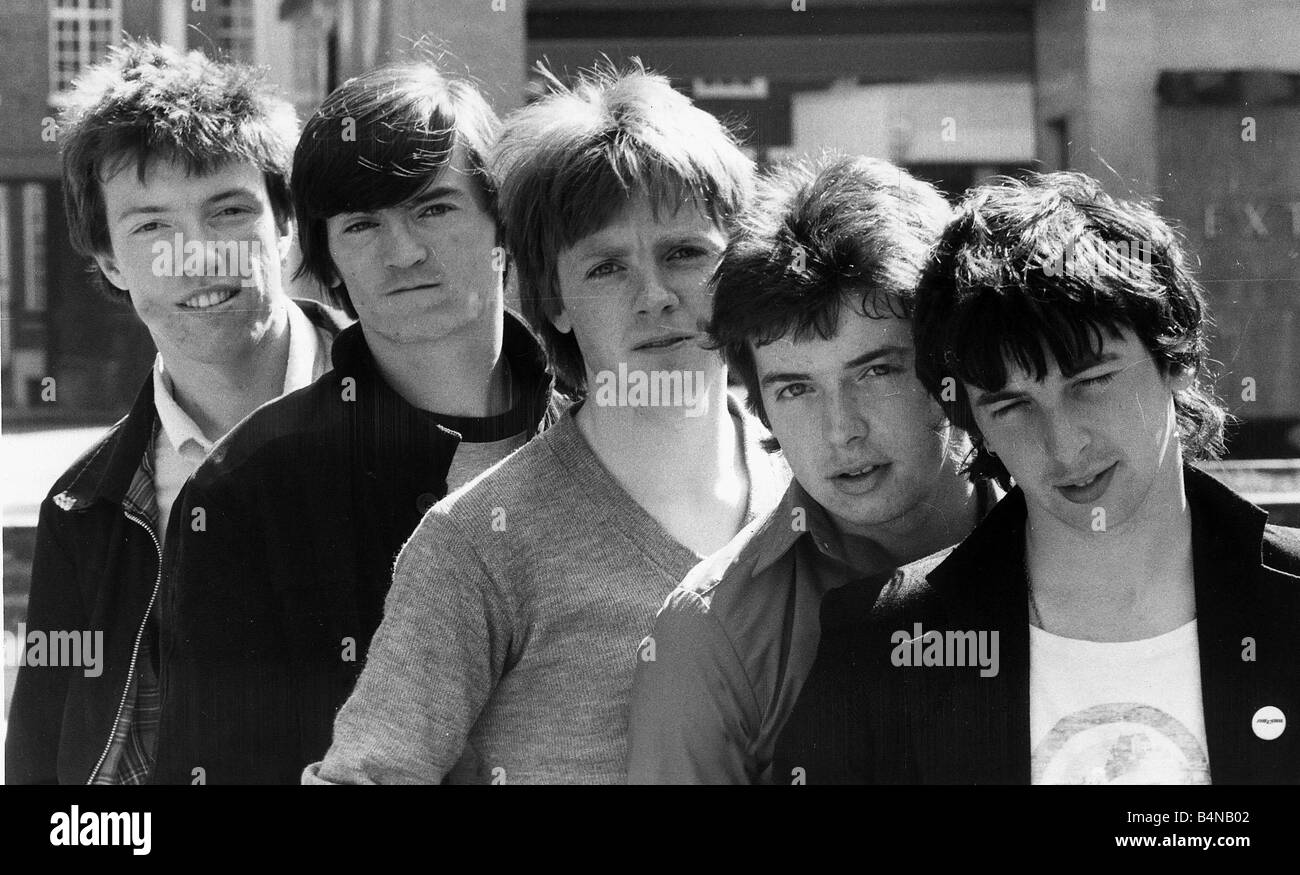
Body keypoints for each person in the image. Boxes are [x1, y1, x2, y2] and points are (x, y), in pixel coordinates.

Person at [304, 63, 789, 785]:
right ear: (553, 301)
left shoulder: (816, 485)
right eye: (606, 268)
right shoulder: (476, 543)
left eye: (685, 253)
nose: (654, 295)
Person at [774, 171, 1300, 784]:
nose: (1063, 443)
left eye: (1092, 381)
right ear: (973, 421)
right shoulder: (881, 648)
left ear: (1174, 359)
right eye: (1011, 404)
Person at [149, 63, 566, 784]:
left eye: (434, 207)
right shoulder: (248, 492)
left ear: (502, 225)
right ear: (328, 261)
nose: (402, 253)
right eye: (363, 224)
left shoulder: (601, 440)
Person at [5, 39, 349, 784]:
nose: (198, 255)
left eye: (228, 210)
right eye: (152, 226)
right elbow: (40, 766)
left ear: (286, 225)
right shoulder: (85, 506)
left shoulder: (416, 420)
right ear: (107, 262)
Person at [626, 154, 997, 784]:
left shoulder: (1078, 544)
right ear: (761, 405)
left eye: (876, 371)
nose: (841, 430)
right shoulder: (711, 635)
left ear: (949, 364)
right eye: (797, 389)